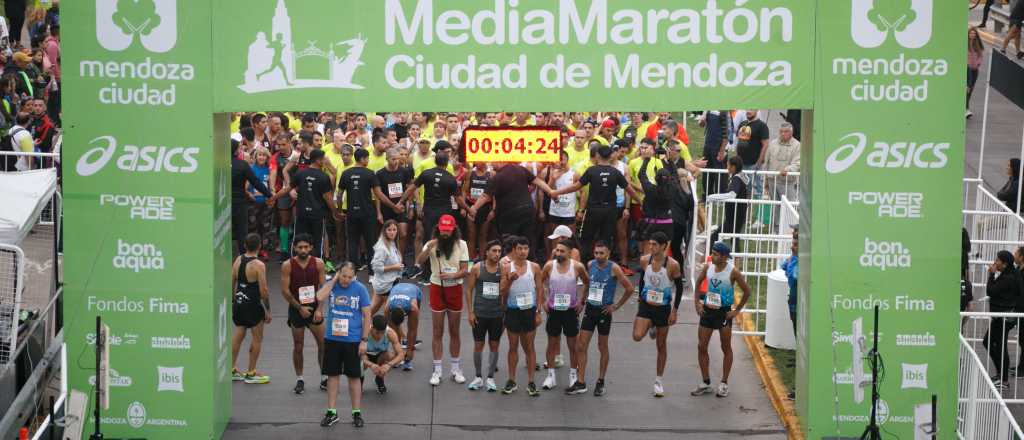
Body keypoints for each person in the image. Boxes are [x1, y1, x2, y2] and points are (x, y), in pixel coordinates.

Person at [550, 145, 637, 262]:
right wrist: (641, 202)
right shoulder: (615, 172)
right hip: (610, 211)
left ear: (597, 156)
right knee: (606, 239)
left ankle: (585, 266)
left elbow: (576, 186)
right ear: (611, 156)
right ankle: (604, 265)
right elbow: (629, 189)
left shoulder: (591, 170)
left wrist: (556, 192)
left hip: (593, 210)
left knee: (586, 239)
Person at [572, 241, 634, 396]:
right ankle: (580, 382)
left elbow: (629, 288)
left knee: (602, 346)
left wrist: (616, 306)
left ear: (608, 254)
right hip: (590, 309)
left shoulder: (614, 268)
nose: (598, 256)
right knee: (581, 345)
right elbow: (587, 284)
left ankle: (601, 380)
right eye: (596, 253)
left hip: (604, 312)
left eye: (601, 253)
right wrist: (582, 301)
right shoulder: (590, 264)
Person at [692, 242, 752, 398]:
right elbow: (698, 283)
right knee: (701, 346)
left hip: (723, 313)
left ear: (725, 257)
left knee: (725, 347)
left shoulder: (733, 272)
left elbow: (747, 291)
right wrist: (697, 303)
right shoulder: (708, 267)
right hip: (707, 311)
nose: (713, 256)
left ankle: (724, 383)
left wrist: (736, 311)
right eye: (712, 252)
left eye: (716, 254)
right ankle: (706, 382)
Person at [415, 214, 470, 386]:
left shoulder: (462, 245)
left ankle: (455, 369)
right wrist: (427, 248)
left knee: (455, 331)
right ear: (438, 228)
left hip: (455, 288)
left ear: (454, 229)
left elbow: (465, 269)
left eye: (448, 230)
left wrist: (453, 275)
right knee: (437, 331)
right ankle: (437, 370)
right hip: (437, 288)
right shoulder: (431, 243)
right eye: (442, 230)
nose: (445, 233)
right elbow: (418, 262)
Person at [315, 263, 371, 428]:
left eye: (349, 277)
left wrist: (364, 340)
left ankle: (356, 413)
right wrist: (333, 281)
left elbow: (367, 315)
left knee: (354, 377)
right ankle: (332, 412)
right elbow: (319, 297)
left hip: (353, 340)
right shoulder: (332, 286)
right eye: (343, 276)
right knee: (333, 375)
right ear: (339, 273)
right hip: (333, 338)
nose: (346, 280)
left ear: (354, 276)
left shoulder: (360, 289)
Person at [631, 232, 684, 398]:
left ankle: (658, 381)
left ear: (663, 246)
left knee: (661, 345)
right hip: (646, 305)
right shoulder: (644, 260)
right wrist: (640, 297)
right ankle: (650, 325)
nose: (651, 247)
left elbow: (679, 287)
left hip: (663, 309)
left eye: (654, 244)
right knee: (637, 336)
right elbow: (641, 279)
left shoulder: (672, 265)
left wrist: (674, 311)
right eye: (650, 244)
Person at [468, 161, 556, 257]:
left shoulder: (498, 177)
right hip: (527, 211)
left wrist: (474, 208)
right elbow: (538, 181)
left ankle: (509, 266)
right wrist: (550, 191)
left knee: (509, 243)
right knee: (527, 241)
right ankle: (528, 264)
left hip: (509, 214)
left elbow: (485, 196)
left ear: (500, 161)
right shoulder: (520, 169)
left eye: (493, 162)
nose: (492, 165)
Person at [270, 146, 342, 259]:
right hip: (317, 215)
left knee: (298, 239)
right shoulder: (323, 177)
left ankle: (295, 264)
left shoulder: (300, 173)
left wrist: (273, 198)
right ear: (318, 161)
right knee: (318, 241)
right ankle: (318, 266)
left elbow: (286, 189)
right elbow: (328, 198)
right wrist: (335, 212)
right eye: (323, 159)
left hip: (301, 213)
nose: (325, 161)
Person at [281, 234, 328, 394]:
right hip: (296, 309)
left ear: (311, 248)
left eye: (306, 247)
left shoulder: (319, 263)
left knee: (323, 344)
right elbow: (285, 291)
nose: (303, 250)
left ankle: (324, 378)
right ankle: (299, 378)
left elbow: (323, 287)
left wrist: (320, 309)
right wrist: (299, 307)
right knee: (298, 346)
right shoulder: (288, 265)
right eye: (300, 247)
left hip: (315, 307)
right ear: (294, 248)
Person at [540, 240, 589, 391]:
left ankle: (573, 375)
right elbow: (540, 282)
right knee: (552, 344)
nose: (559, 253)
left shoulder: (577, 266)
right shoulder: (549, 266)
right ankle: (551, 376)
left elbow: (587, 282)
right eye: (557, 250)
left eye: (562, 251)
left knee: (572, 345)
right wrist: (543, 301)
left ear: (569, 252)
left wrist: (582, 301)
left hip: (570, 311)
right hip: (553, 311)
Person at [499, 236, 545, 396]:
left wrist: (539, 312)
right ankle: (512, 380)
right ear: (514, 249)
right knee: (513, 347)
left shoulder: (535, 267)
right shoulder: (506, 267)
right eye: (520, 248)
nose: (523, 252)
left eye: (526, 249)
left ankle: (531, 382)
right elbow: (502, 291)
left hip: (529, 311)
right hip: (512, 310)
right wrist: (510, 280)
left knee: (530, 347)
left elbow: (540, 290)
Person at [337, 148, 390, 272]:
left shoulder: (346, 173)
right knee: (370, 242)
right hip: (368, 214)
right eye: (367, 158)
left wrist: (339, 211)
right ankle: (372, 273)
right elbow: (379, 194)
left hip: (351, 213)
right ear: (363, 159)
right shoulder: (370, 173)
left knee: (352, 242)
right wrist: (393, 206)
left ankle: (352, 272)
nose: (368, 160)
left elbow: (339, 195)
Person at [231, 233, 273, 384]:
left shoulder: (238, 260)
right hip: (253, 305)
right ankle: (251, 373)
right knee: (257, 338)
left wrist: (233, 301)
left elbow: (232, 281)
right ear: (260, 247)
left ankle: (232, 369)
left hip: (239, 302)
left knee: (239, 333)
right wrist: (267, 310)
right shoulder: (259, 265)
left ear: (244, 246)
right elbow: (264, 291)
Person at [464, 240, 505, 392]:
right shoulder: (477, 268)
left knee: (494, 345)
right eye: (494, 251)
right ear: (486, 252)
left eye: (499, 251)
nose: (497, 254)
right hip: (480, 314)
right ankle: (478, 377)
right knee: (478, 345)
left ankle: (490, 378)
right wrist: (470, 312)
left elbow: (505, 290)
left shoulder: (503, 269)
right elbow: (468, 290)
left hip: (496, 314)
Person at [984, 250, 1020, 388]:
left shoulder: (1008, 278)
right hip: (1001, 316)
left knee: (998, 345)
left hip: (1003, 317)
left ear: (1004, 264)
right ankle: (1001, 375)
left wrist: (991, 274)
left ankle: (1004, 379)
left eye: (998, 260)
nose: (995, 262)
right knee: (990, 343)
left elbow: (991, 291)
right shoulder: (1008, 274)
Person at [232, 140, 273, 256]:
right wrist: (269, 195)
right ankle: (249, 253)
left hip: (263, 203)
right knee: (249, 228)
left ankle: (259, 250)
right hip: (248, 203)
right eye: (259, 154)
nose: (262, 157)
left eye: (264, 155)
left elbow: (267, 184)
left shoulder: (268, 169)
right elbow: (253, 183)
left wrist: (270, 196)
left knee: (263, 227)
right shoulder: (246, 166)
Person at [376, 147, 414, 254]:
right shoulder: (380, 174)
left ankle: (400, 258)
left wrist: (410, 207)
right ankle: (388, 258)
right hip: (386, 209)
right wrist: (379, 213)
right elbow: (378, 195)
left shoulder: (404, 172)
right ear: (387, 159)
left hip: (401, 208)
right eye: (393, 159)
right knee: (387, 236)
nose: (396, 161)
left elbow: (409, 189)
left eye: (397, 159)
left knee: (403, 233)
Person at [708, 157, 750, 248]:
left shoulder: (736, 179)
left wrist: (713, 197)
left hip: (734, 217)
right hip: (738, 215)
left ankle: (710, 259)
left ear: (733, 167)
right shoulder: (741, 175)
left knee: (714, 237)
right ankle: (736, 260)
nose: (727, 167)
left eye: (728, 165)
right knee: (734, 240)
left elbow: (732, 194)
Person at [543, 150, 578, 261]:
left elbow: (582, 193)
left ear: (567, 159)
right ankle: (553, 261)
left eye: (562, 159)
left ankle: (570, 261)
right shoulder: (553, 172)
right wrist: (553, 178)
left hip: (569, 211)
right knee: (554, 236)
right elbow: (548, 190)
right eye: (558, 159)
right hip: (555, 210)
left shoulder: (574, 173)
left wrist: (581, 210)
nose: (560, 162)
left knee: (569, 237)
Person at [362, 315, 406, 395]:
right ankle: (360, 380)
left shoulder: (390, 333)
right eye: (377, 332)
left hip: (380, 356)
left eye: (382, 333)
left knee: (389, 356)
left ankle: (379, 378)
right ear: (372, 328)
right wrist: (371, 365)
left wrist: (388, 365)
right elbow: (355, 354)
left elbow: (401, 354)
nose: (380, 335)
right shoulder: (365, 332)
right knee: (359, 363)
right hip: (365, 355)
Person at [384, 282, 422, 370]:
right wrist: (397, 350)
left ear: (405, 314)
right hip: (397, 288)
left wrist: (410, 350)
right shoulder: (387, 308)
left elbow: (413, 330)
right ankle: (398, 355)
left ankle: (408, 359)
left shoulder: (413, 307)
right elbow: (390, 330)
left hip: (414, 288)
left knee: (412, 326)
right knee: (393, 330)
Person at [370, 220, 404, 315]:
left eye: (394, 229)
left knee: (372, 310)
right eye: (389, 230)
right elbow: (376, 267)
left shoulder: (392, 243)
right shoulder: (382, 248)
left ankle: (360, 325)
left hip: (389, 282)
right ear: (384, 231)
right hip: (385, 285)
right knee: (389, 313)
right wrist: (395, 267)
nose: (392, 232)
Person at [463, 161, 494, 260]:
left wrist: (493, 210)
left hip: (485, 208)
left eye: (479, 160)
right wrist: (464, 207)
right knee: (471, 235)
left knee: (483, 235)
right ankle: (470, 263)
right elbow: (464, 190)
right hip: (471, 207)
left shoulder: (491, 174)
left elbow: (495, 194)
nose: (476, 163)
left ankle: (482, 262)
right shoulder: (470, 173)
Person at [762, 123, 800, 203]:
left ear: (791, 133)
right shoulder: (772, 143)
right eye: (781, 131)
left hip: (788, 183)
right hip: (772, 181)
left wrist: (788, 169)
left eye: (786, 131)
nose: (783, 134)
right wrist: (766, 181)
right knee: (774, 208)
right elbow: (767, 162)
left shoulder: (797, 145)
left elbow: (797, 163)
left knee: (789, 208)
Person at [967, 27, 984, 119]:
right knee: (967, 88)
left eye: (974, 33)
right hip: (967, 69)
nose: (972, 35)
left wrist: (978, 64)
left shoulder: (978, 45)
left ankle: (965, 108)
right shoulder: (964, 44)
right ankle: (966, 109)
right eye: (971, 33)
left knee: (971, 89)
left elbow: (981, 56)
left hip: (975, 70)